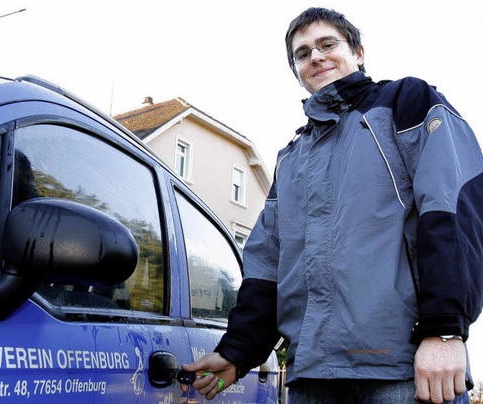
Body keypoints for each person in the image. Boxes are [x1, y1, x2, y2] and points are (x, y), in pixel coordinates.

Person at [181, 7, 483, 403]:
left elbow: (451, 211)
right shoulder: (290, 158)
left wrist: (444, 331)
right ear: (297, 71)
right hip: (314, 377)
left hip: (406, 371)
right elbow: (267, 265)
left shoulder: (407, 103)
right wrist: (238, 352)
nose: (316, 57)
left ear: (357, 52)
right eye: (303, 54)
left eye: (327, 44)